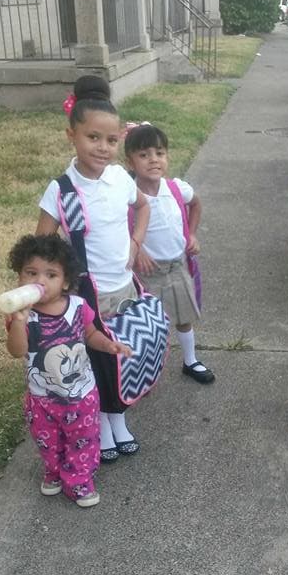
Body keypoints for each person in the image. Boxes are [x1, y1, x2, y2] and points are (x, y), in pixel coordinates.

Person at [36, 75, 150, 462]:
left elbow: (143, 206)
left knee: (119, 356)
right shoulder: (62, 190)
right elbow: (42, 249)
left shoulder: (119, 178)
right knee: (95, 361)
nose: (103, 148)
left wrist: (135, 242)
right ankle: (101, 425)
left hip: (124, 287)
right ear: (72, 135)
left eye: (111, 140)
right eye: (93, 138)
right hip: (88, 294)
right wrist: (46, 291)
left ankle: (118, 419)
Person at [5, 234, 132, 506]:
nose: (40, 280)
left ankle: (79, 481)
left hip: (81, 395)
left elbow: (91, 334)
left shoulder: (77, 306)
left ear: (65, 281)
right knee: (48, 443)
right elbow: (17, 350)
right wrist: (18, 322)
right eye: (31, 273)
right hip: (42, 398)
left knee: (82, 440)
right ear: (19, 276)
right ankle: (53, 472)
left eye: (50, 274)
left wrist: (108, 345)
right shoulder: (23, 315)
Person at [124, 122, 214, 384]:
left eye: (160, 153)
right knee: (149, 324)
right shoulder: (127, 196)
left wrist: (192, 234)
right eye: (144, 155)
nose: (154, 160)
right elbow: (117, 227)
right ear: (130, 162)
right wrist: (136, 249)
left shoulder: (176, 188)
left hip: (177, 266)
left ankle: (190, 360)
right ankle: (147, 368)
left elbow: (196, 204)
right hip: (146, 273)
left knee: (184, 317)